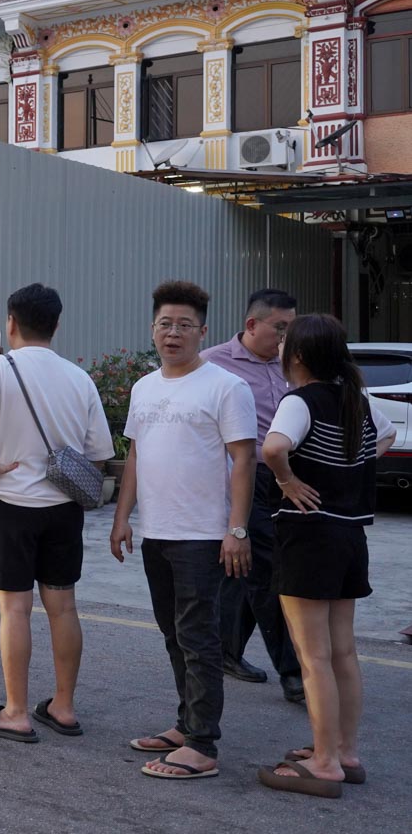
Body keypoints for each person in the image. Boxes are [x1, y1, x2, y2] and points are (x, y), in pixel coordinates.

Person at [0, 284, 113, 742]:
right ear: (57, 325)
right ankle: (63, 707)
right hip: (63, 510)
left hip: (11, 506)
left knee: (15, 610)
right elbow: (98, 452)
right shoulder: (78, 378)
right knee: (63, 609)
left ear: (11, 323)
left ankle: (17, 712)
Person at [110, 280, 256, 780]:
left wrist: (236, 528)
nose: (173, 334)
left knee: (198, 636)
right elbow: (135, 454)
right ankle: (185, 723)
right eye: (165, 324)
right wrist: (122, 516)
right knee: (174, 634)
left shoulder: (225, 386)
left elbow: (243, 459)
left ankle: (201, 744)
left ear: (203, 332)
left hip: (203, 532)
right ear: (153, 329)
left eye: (184, 326)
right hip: (158, 531)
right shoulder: (146, 387)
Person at [258, 314, 391, 797]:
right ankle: (345, 751)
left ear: (297, 355)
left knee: (312, 657)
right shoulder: (355, 399)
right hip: (351, 537)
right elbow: (388, 436)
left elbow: (274, 449)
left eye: (283, 341)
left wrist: (288, 481)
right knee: (343, 651)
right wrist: (348, 470)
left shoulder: (300, 400)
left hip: (309, 537)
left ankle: (325, 761)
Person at [199, 289, 304, 702]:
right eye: (280, 328)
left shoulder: (292, 363)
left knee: (240, 571)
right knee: (269, 573)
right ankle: (293, 672)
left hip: (290, 479)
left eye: (291, 328)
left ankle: (226, 650)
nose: (285, 337)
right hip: (249, 479)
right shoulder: (212, 364)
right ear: (251, 325)